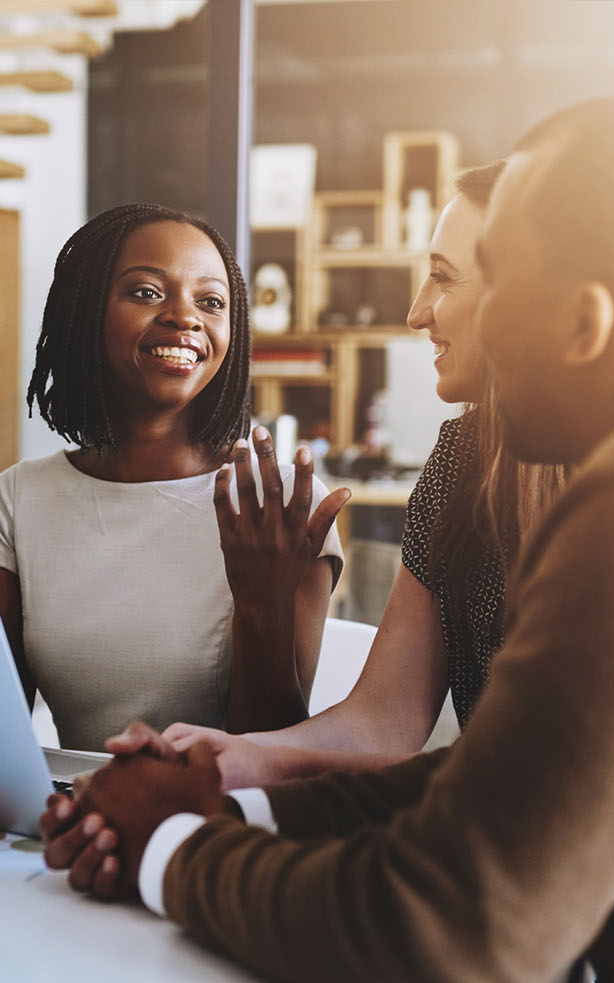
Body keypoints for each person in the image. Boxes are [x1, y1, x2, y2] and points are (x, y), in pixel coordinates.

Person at [39, 95, 614, 983]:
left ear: (581, 324)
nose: (420, 310)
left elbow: (439, 932)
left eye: (494, 272)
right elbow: (519, 769)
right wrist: (234, 805)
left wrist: (167, 851)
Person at [148, 162, 567, 791]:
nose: (416, 312)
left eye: (443, 278)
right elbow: (381, 721)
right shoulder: (459, 462)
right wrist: (237, 756)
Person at [0, 204, 347, 749]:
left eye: (211, 302)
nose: (185, 317)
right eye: (147, 292)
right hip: (76, 817)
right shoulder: (20, 498)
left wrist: (260, 600)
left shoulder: (281, 504)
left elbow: (272, 755)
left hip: (218, 823)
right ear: (86, 311)